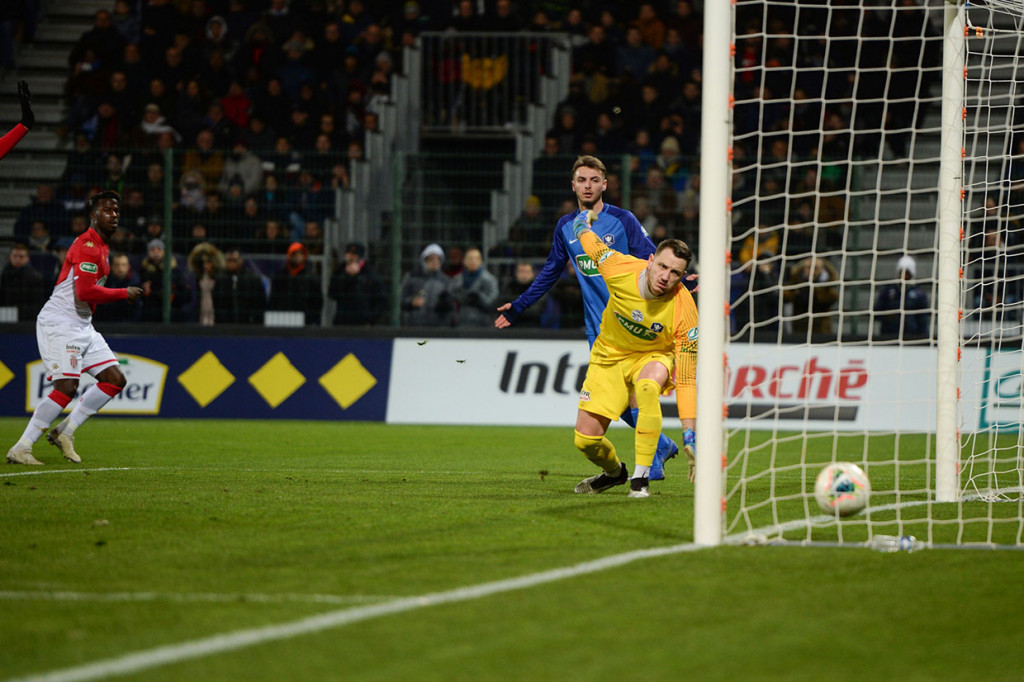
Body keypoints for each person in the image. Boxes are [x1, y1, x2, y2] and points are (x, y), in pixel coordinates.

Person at [494, 155, 682, 480]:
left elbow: (654, 259)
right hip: (599, 330)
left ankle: (657, 449)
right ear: (573, 185)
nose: (588, 186)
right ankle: (661, 445)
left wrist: (683, 280)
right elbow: (550, 271)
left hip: (635, 325)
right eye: (582, 180)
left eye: (594, 180)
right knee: (618, 401)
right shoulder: (566, 227)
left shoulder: (622, 220)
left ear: (605, 185)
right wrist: (520, 305)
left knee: (633, 394)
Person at [7, 191, 144, 465]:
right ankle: (21, 448)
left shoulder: (102, 247)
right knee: (67, 387)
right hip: (61, 322)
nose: (114, 215)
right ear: (93, 215)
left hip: (82, 324)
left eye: (117, 211)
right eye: (107, 210)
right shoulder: (88, 246)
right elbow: (84, 292)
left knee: (115, 379)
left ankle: (65, 431)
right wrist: (123, 293)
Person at [569, 210, 698, 498]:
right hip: (609, 355)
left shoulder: (685, 310)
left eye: (675, 273)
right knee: (585, 441)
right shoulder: (618, 267)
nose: (665, 277)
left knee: (648, 386)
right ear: (650, 260)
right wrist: (580, 224)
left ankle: (640, 480)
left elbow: (687, 380)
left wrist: (690, 436)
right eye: (662, 266)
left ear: (682, 276)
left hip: (653, 355)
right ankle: (615, 473)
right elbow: (591, 243)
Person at [328, 242, 385, 326]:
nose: (351, 257)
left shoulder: (370, 274)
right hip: (342, 321)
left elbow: (381, 301)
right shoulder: (340, 272)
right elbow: (332, 293)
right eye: (349, 254)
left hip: (362, 323)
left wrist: (370, 319)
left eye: (354, 255)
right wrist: (347, 276)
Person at [874, 255, 930, 338]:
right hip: (889, 335)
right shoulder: (888, 291)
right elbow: (876, 312)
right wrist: (888, 315)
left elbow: (923, 319)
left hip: (912, 337)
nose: (904, 276)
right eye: (901, 272)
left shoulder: (919, 294)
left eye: (907, 273)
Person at [400, 243, 455, 327]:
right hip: (415, 325)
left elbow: (451, 305)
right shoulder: (412, 278)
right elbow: (400, 299)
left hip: (439, 326)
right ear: (424, 260)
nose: (435, 262)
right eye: (431, 259)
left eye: (438, 259)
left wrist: (444, 304)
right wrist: (412, 302)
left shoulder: (446, 281)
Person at [268, 241, 323, 325]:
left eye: (301, 254)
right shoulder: (280, 276)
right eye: (294, 254)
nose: (298, 257)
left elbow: (317, 302)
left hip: (305, 320)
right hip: (281, 319)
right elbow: (273, 299)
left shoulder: (310, 278)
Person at [212, 247, 267, 324]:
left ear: (241, 260)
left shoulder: (253, 279)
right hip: (225, 324)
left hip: (247, 323)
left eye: (234, 260)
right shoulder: (220, 280)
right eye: (229, 260)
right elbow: (217, 303)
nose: (231, 263)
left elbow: (260, 303)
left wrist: (253, 319)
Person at [453, 247, 499, 327]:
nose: (473, 261)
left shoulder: (490, 280)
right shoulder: (457, 279)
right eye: (470, 258)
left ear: (481, 261)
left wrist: (479, 296)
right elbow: (453, 299)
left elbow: (493, 303)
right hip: (461, 322)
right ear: (464, 261)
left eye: (476, 258)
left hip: (483, 324)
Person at [0, 242, 47, 320]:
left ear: (27, 258)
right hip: (6, 316)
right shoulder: (4, 275)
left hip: (27, 319)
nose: (17, 259)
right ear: (10, 257)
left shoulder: (35, 278)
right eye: (15, 256)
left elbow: (37, 304)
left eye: (21, 256)